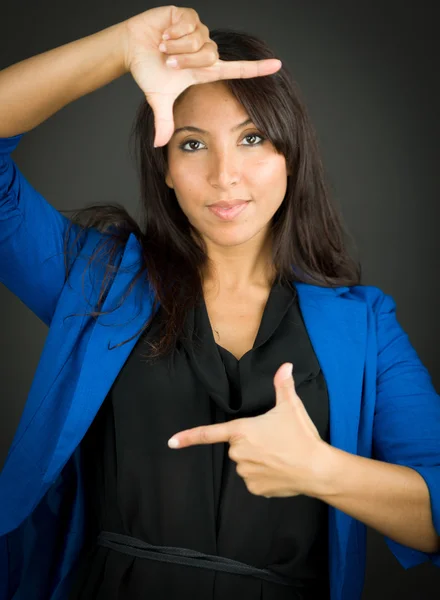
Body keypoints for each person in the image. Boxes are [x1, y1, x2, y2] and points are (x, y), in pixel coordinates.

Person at [0, 5, 439, 600]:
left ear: (291, 156)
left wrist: (320, 471)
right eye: (193, 144)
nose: (225, 174)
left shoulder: (364, 325)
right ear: (167, 171)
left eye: (252, 139)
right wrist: (121, 47)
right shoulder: (97, 284)